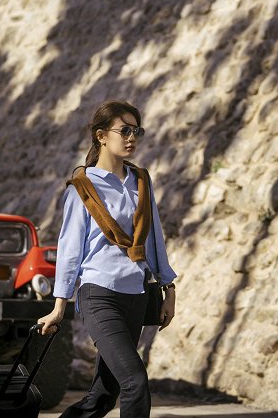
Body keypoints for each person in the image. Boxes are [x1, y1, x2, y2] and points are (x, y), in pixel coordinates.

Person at [38, 100, 177, 418]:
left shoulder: (141, 180)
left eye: (136, 131)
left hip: (136, 297)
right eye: (124, 130)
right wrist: (60, 304)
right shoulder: (82, 187)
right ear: (101, 136)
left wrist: (169, 290)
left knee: (103, 395)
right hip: (98, 295)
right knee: (135, 382)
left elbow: (153, 238)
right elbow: (70, 249)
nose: (132, 137)